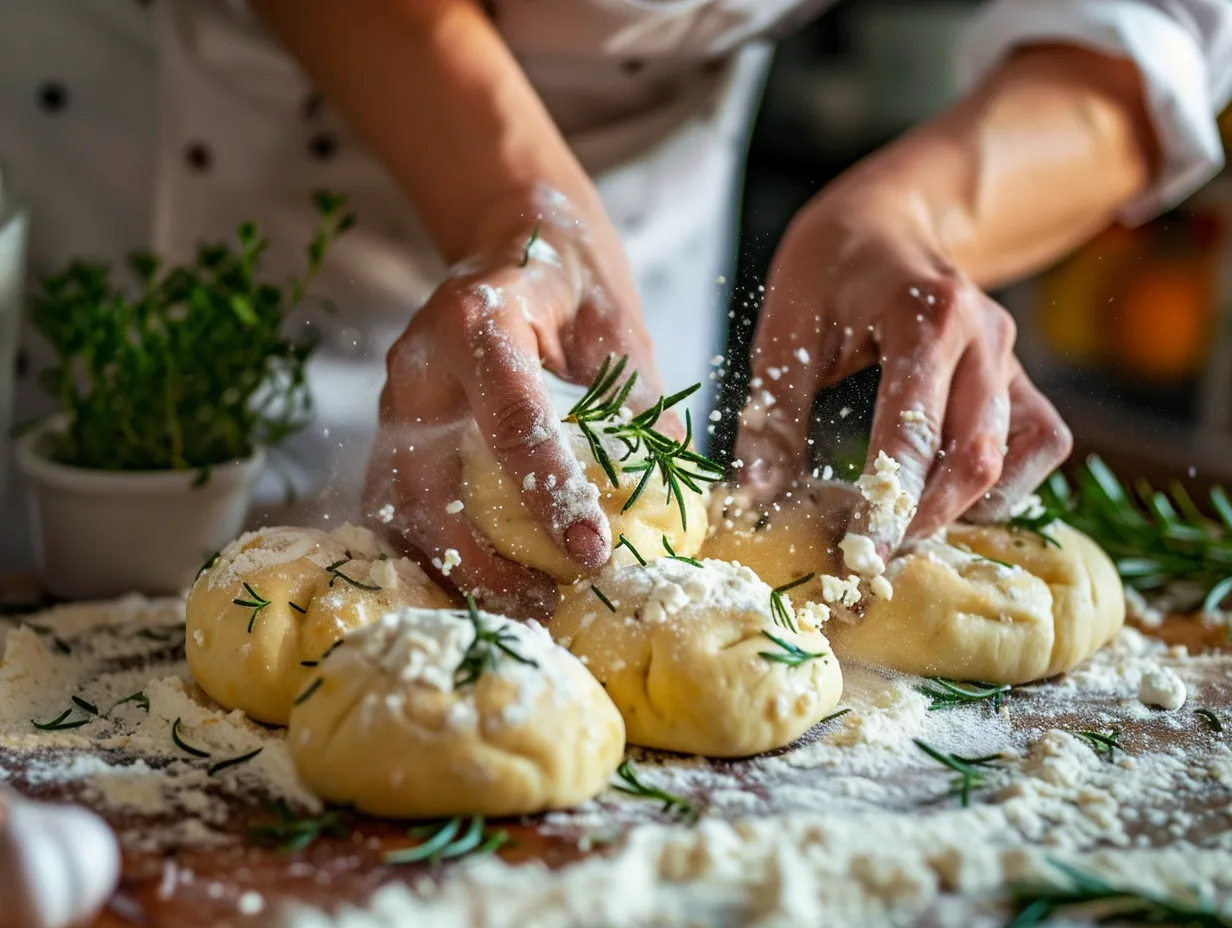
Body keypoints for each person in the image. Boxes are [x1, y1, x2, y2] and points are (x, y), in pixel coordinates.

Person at [2, 1, 1231, 617]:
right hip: (189, 143)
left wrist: (920, 215)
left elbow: (1150, 26)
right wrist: (507, 199)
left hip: (645, 200)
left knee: (595, 580)